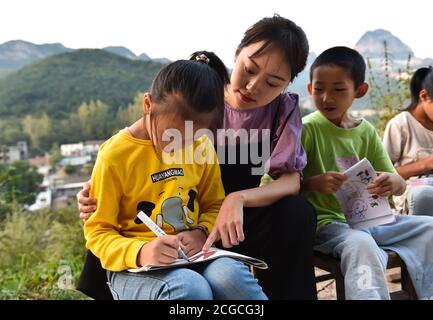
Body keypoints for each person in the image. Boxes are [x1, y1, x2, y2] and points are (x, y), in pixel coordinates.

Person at [78, 15, 317, 300]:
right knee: (188, 286)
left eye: (274, 82)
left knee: (296, 213)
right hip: (152, 228)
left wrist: (234, 201)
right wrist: (98, 191)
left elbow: (291, 181)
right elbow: (143, 149)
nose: (253, 87)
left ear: (288, 84)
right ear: (237, 53)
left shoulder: (281, 110)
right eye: (249, 69)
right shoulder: (196, 93)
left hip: (219, 219)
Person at [82, 53, 267, 300]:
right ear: (147, 105)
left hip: (193, 256)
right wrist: (142, 251)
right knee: (189, 287)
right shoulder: (115, 156)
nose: (180, 147)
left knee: (231, 277)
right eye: (171, 136)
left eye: (192, 137)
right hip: (133, 267)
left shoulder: (201, 145)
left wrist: (201, 231)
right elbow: (98, 232)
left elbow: (214, 204)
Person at [301, 46, 433, 299]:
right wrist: (312, 183)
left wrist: (391, 181)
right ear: (310, 89)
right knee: (361, 245)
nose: (327, 98)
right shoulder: (307, 129)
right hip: (327, 225)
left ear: (359, 91)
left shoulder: (366, 131)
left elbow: (397, 181)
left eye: (339, 89)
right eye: (319, 89)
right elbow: (275, 180)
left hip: (373, 220)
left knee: (430, 228)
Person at [383, 67, 433, 216]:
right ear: (423, 96)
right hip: (413, 198)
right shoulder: (401, 124)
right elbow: (383, 174)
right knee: (423, 195)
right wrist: (426, 164)